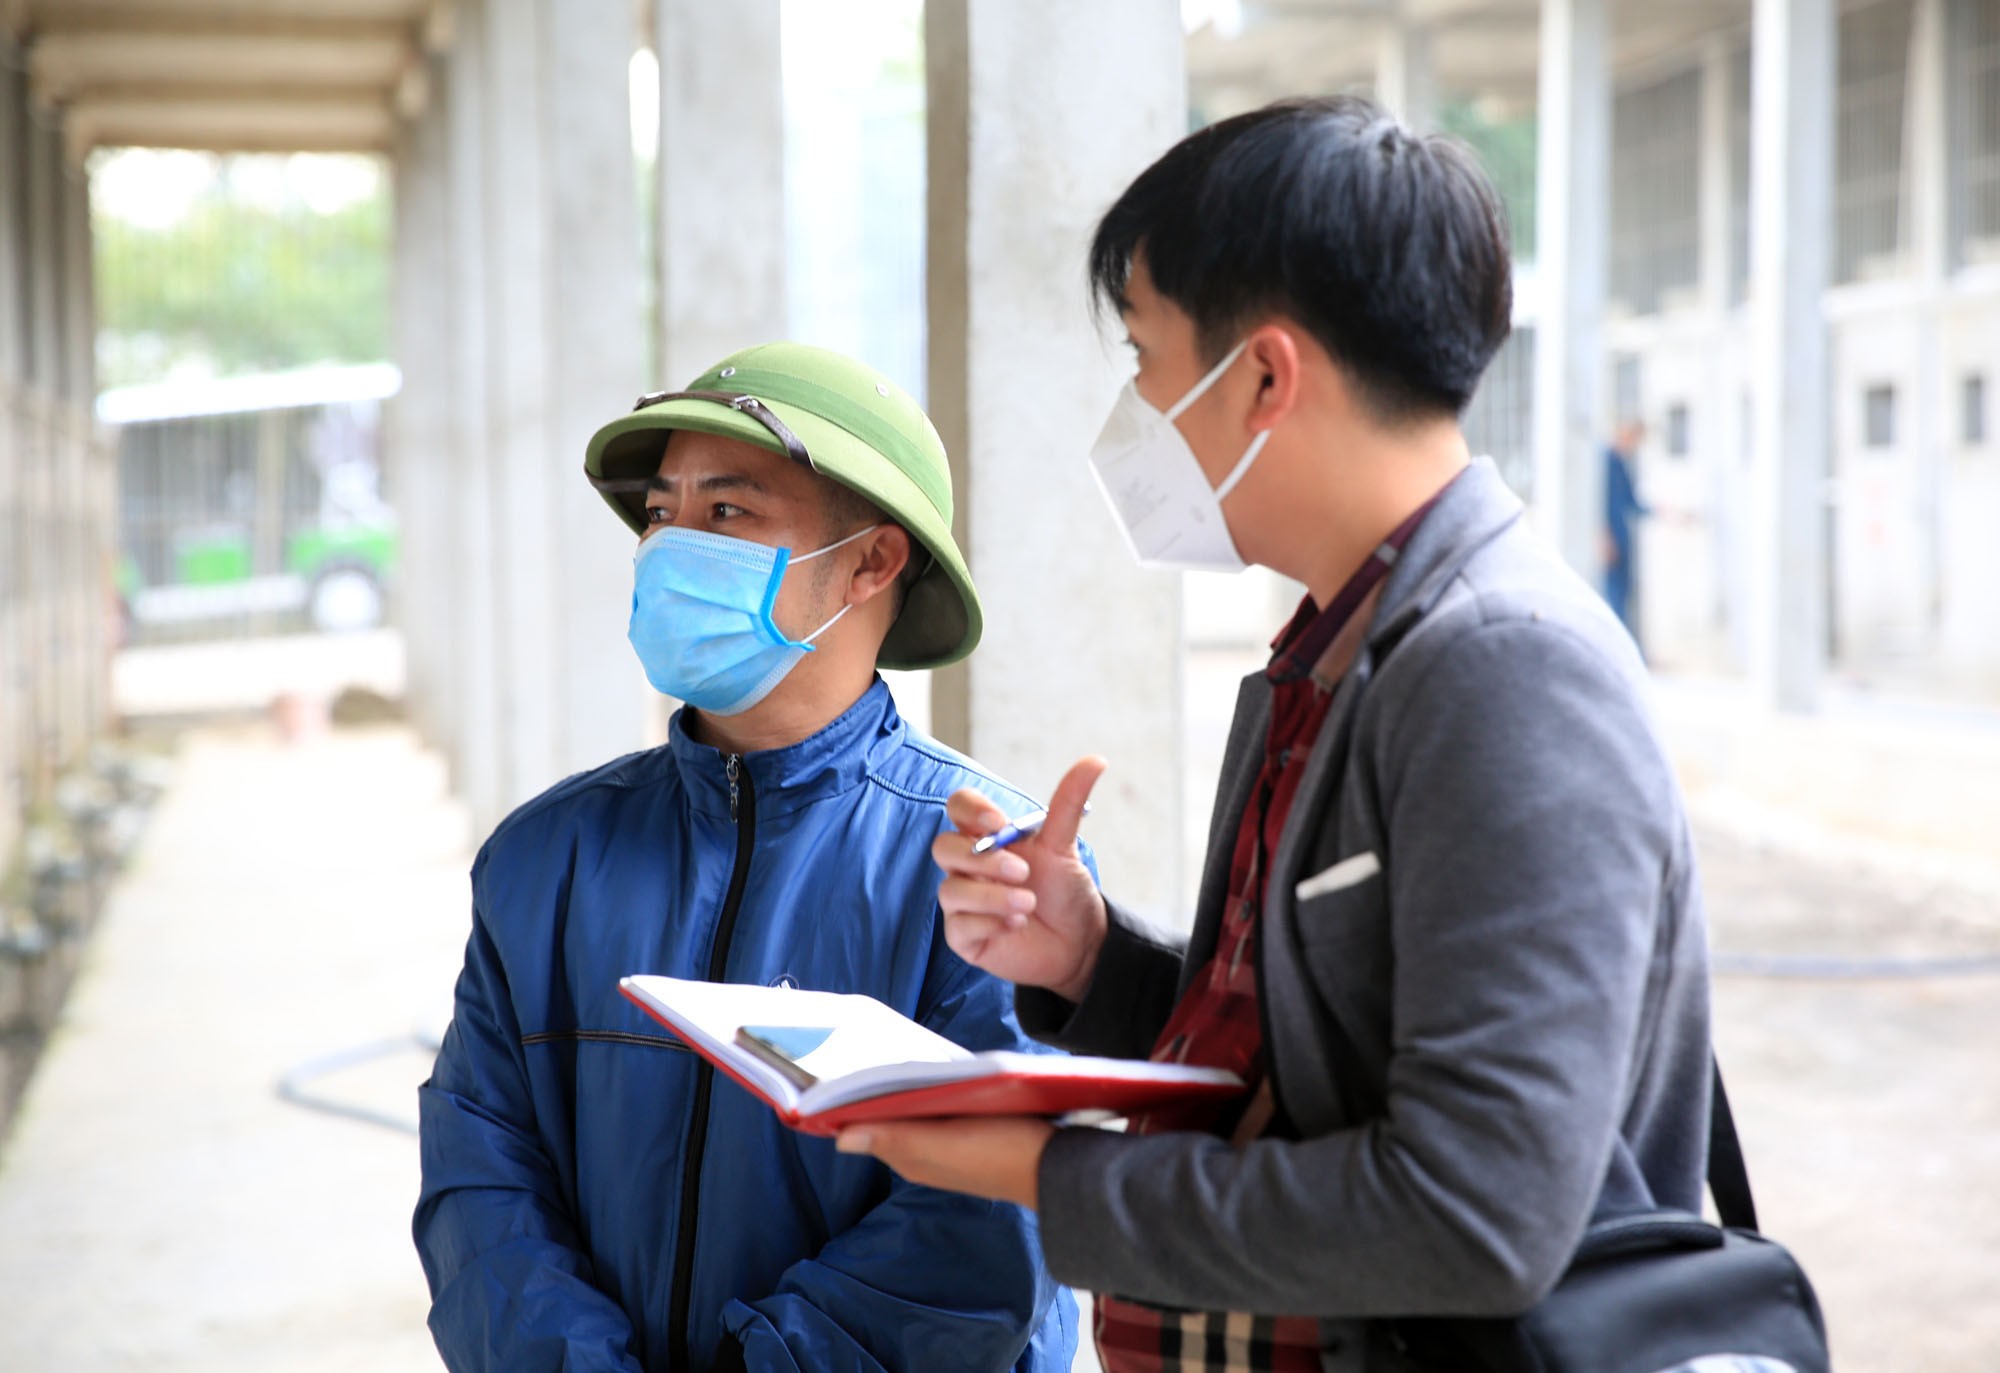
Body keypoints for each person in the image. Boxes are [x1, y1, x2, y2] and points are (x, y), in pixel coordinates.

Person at [837, 96, 1715, 1370]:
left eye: (1142, 354)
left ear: (1260, 373)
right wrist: (1094, 960)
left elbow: (1476, 1212)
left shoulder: (1503, 670)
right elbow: (1304, 1053)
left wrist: (1050, 1174)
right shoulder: (1340, 644)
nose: (1136, 408)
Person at [414, 342, 1079, 1373]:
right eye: (660, 512)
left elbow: (986, 1231)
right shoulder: (543, 859)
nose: (672, 544)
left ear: (870, 560)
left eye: (726, 513)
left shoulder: (988, 872)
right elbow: (480, 1179)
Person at [1603, 418, 1651, 638]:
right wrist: (1603, 536)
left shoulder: (1620, 463)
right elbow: (1598, 503)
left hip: (1622, 537)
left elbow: (1631, 502)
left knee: (1624, 594)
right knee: (1613, 596)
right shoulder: (1606, 460)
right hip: (1612, 539)